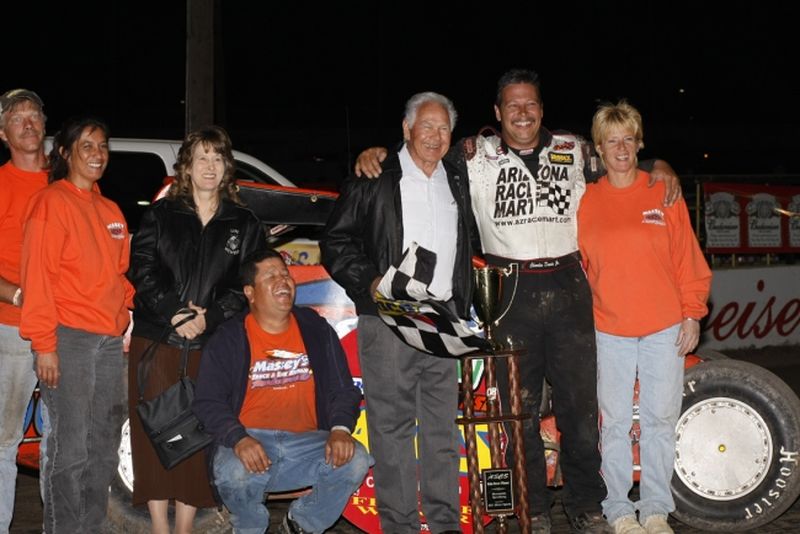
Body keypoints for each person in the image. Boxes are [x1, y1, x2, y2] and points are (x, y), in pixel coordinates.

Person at [354, 69, 682, 533]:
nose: (522, 113)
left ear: (542, 110)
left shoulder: (575, 149)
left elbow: (624, 159)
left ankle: (587, 503)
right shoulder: (471, 153)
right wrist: (380, 153)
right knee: (516, 409)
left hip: (569, 284)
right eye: (513, 105)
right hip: (508, 289)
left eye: (530, 104)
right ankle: (533, 509)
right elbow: (421, 154)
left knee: (580, 407)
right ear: (497, 112)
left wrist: (660, 168)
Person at [321, 92, 473, 534]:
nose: (435, 136)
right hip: (387, 315)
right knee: (392, 432)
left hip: (443, 317)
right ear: (406, 130)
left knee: (443, 432)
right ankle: (401, 526)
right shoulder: (374, 176)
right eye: (426, 126)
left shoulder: (457, 177)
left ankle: (445, 525)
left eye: (443, 128)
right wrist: (369, 282)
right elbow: (336, 241)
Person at [578, 101, 711, 534]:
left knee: (659, 421)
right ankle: (618, 508)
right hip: (609, 329)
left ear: (639, 144)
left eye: (628, 139)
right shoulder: (586, 200)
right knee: (614, 422)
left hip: (665, 327)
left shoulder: (663, 191)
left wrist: (692, 314)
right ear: (598, 148)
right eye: (612, 140)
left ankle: (655, 508)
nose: (621, 148)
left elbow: (687, 259)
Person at [127, 126, 266, 534]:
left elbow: (248, 285)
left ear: (227, 169)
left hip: (212, 344)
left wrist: (213, 316)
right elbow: (142, 269)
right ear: (186, 167)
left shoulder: (243, 222)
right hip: (157, 340)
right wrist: (174, 312)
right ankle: (158, 526)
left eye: (217, 158)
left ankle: (185, 527)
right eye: (201, 158)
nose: (209, 166)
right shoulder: (160, 214)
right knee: (153, 432)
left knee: (198, 434)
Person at [193, 248, 371, 534]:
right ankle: (250, 527)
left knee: (356, 460)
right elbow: (207, 402)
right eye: (271, 276)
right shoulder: (229, 337)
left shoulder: (316, 329)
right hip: (250, 441)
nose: (283, 281)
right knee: (235, 475)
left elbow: (343, 388)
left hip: (306, 445)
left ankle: (300, 524)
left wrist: (339, 429)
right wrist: (238, 438)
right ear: (250, 292)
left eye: (285, 275)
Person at [19, 116, 134, 533]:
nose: (97, 154)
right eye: (86, 146)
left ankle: (92, 527)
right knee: (70, 451)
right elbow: (38, 278)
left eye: (103, 146)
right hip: (68, 339)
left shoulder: (110, 210)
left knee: (103, 448)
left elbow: (118, 277)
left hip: (107, 341)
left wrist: (130, 313)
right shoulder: (51, 202)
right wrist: (44, 344)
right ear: (65, 154)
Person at [0, 88, 49, 534]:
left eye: (35, 115)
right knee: (4, 439)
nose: (28, 123)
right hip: (11, 331)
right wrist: (17, 295)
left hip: (67, 330)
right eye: (18, 118)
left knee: (62, 439)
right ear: (3, 132)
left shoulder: (67, 181)